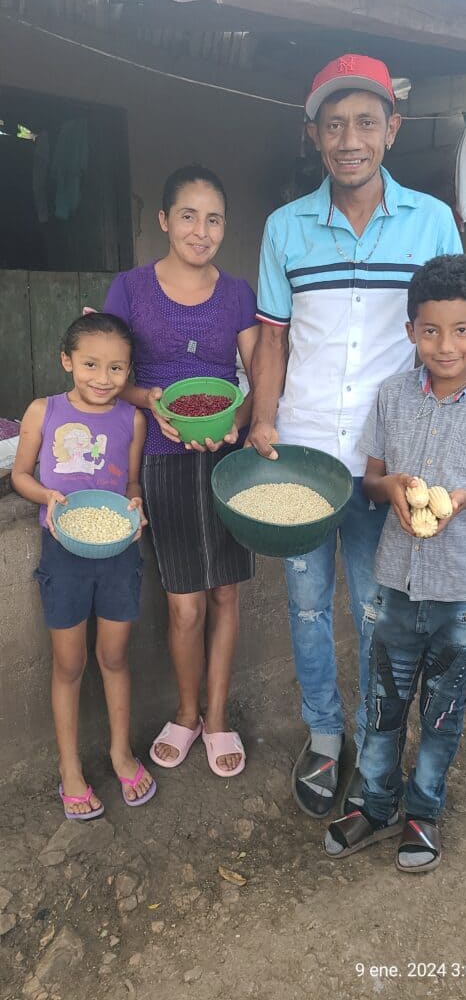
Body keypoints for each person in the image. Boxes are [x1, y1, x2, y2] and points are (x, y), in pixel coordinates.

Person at [247, 54, 466, 819]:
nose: (352, 139)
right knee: (308, 606)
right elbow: (272, 339)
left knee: (377, 612)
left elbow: (460, 318)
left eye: (367, 123)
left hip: (391, 465)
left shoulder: (432, 221)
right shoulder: (285, 230)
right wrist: (264, 419)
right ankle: (324, 735)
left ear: (394, 129)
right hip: (303, 459)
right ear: (313, 133)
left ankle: (380, 747)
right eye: (336, 123)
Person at [323, 254, 466, 870]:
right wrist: (390, 485)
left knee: (443, 706)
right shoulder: (393, 397)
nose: (445, 346)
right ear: (410, 332)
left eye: (462, 331)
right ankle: (375, 802)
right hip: (398, 583)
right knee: (383, 701)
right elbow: (368, 482)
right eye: (430, 331)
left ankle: (422, 812)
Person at [103, 165, 259, 777]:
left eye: (214, 218)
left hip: (228, 457)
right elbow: (112, 375)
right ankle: (187, 711)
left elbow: (257, 375)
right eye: (188, 216)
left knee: (226, 592)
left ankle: (217, 715)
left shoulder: (238, 292)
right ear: (164, 220)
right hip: (162, 460)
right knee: (184, 604)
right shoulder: (130, 288)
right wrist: (153, 403)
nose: (202, 230)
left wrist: (239, 419)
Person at [11, 313, 155, 819]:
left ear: (129, 370)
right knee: (69, 663)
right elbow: (21, 476)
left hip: (117, 551)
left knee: (114, 657)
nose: (102, 377)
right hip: (63, 553)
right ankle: (69, 768)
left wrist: (136, 506)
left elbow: (131, 483)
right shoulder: (42, 411)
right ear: (67, 361)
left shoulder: (131, 419)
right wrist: (48, 496)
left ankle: (120, 751)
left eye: (117, 368)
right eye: (90, 364)